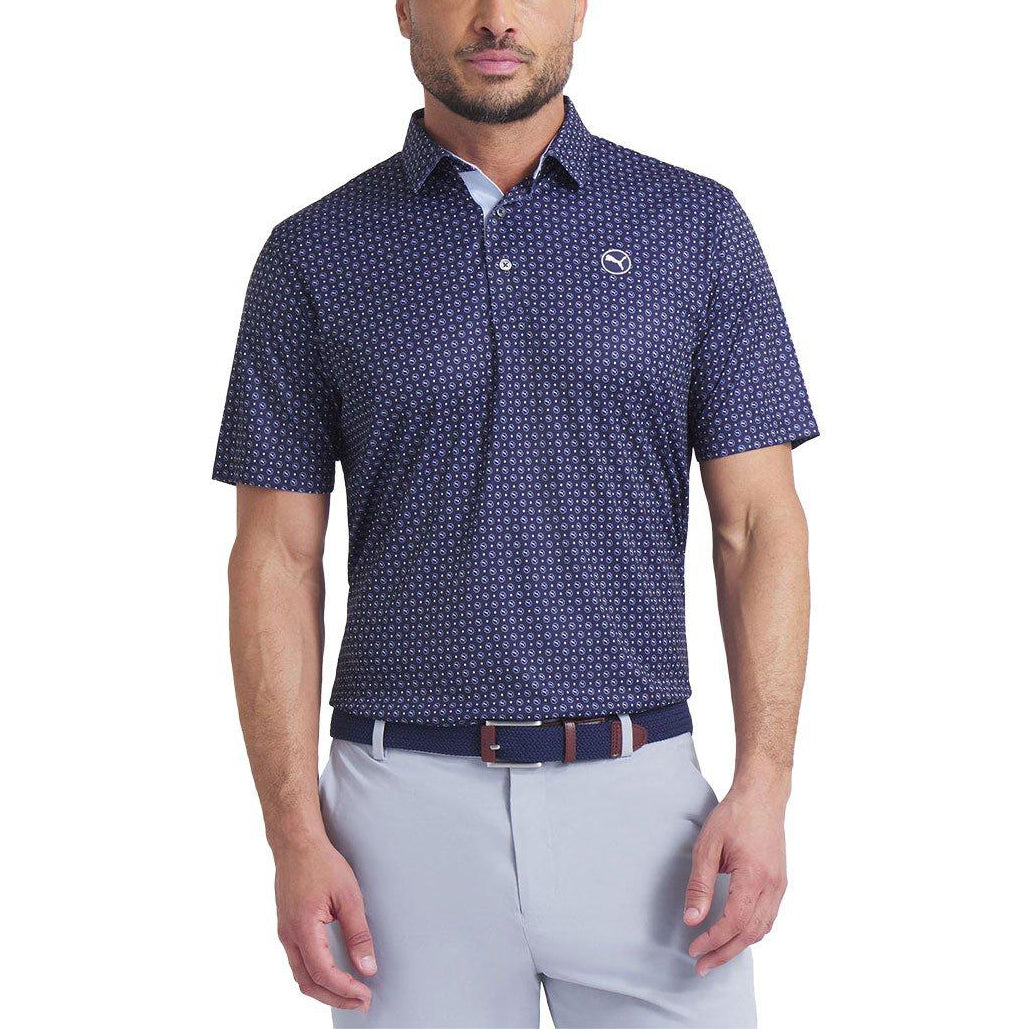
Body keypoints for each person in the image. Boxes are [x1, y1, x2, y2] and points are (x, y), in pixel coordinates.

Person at [212, 2, 818, 1025]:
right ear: (404, 7)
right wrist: (293, 835)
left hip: (644, 806)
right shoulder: (313, 253)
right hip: (398, 817)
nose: (496, 17)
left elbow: (757, 525)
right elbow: (275, 557)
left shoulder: (695, 225)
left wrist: (766, 785)